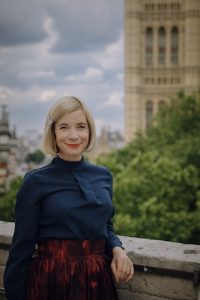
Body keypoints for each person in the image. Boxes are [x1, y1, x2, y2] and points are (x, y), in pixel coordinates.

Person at [4, 96, 134, 300]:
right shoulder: (35, 181)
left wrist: (118, 251)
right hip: (51, 283)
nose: (74, 135)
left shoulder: (104, 176)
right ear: (53, 133)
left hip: (98, 282)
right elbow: (21, 249)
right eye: (64, 127)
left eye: (81, 126)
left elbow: (105, 228)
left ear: (89, 131)